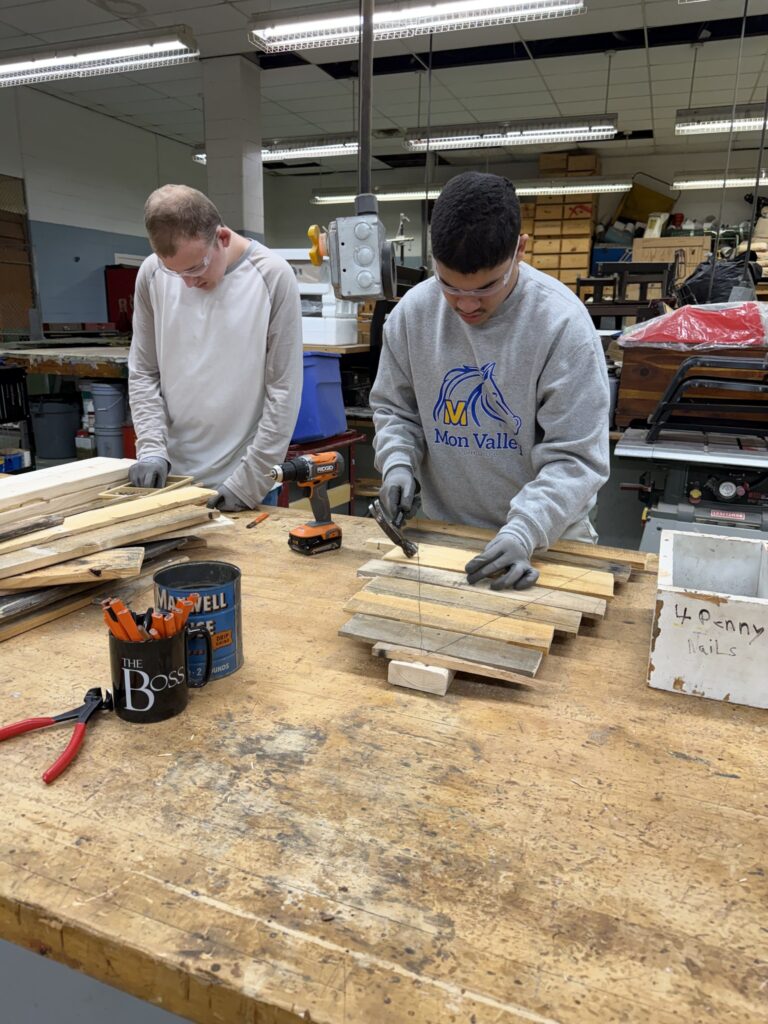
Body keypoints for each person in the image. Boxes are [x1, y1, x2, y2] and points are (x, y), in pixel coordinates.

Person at [370, 171, 610, 591]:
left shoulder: (561, 325)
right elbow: (395, 410)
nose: (465, 304)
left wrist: (524, 531)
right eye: (448, 285)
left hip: (545, 543)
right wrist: (398, 465)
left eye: (486, 288)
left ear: (520, 249)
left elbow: (577, 459)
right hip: (446, 536)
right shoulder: (412, 314)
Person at [128, 184, 303, 511]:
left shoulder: (272, 277)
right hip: (172, 477)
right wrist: (152, 449)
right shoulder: (151, 274)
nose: (187, 283)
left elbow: (284, 390)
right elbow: (143, 373)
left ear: (222, 238)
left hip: (242, 480)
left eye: (196, 268)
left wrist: (249, 483)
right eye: (175, 271)